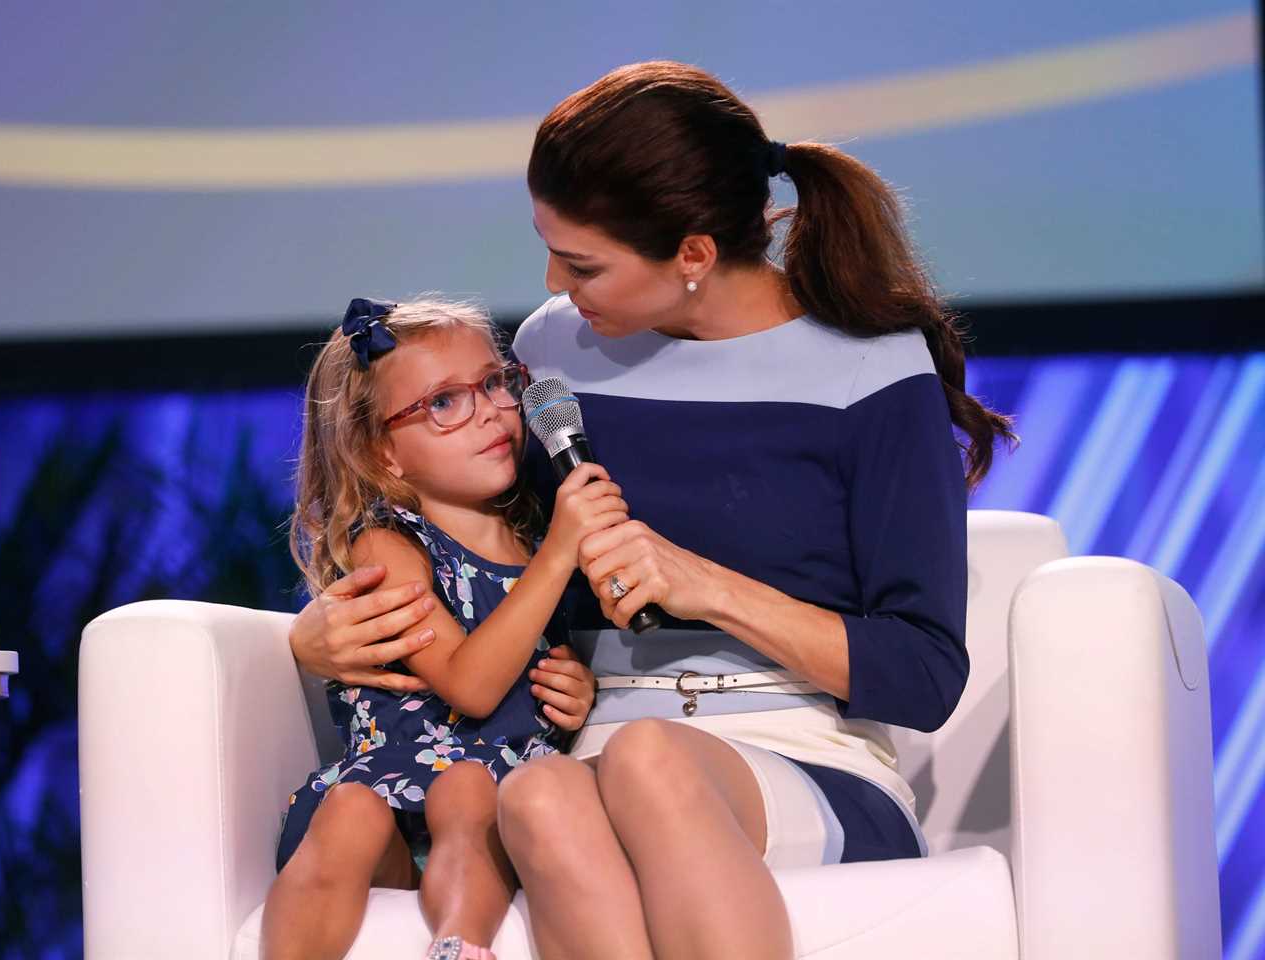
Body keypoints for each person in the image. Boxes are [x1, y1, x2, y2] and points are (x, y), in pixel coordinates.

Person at [289, 61, 1016, 960]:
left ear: (694, 256)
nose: (553, 280)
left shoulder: (873, 372)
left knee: (648, 757)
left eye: (584, 262)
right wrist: (322, 635)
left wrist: (704, 585)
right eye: (549, 246)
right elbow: (481, 544)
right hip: (586, 749)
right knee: (536, 797)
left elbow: (924, 673)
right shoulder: (557, 351)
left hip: (803, 755)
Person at [263, 297, 613, 960]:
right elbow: (471, 686)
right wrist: (564, 548)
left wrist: (574, 691)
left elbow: (529, 672)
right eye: (444, 403)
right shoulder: (391, 547)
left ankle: (457, 946)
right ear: (383, 454)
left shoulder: (536, 542)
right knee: (353, 809)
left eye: (492, 383)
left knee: (468, 790)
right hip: (388, 804)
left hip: (497, 802)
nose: (488, 411)